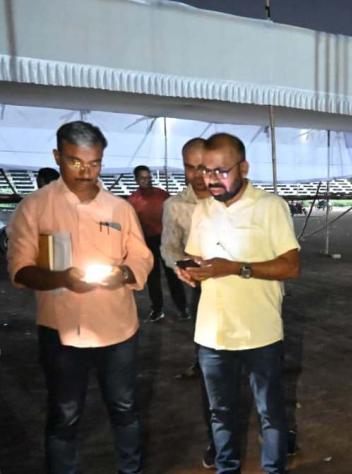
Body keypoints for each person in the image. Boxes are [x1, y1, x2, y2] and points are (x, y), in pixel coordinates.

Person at [7, 121, 153, 473]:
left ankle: (130, 469)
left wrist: (125, 273)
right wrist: (62, 279)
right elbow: (20, 269)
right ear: (57, 156)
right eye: (75, 162)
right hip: (61, 331)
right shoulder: (35, 207)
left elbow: (141, 255)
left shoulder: (119, 208)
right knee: (65, 413)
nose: (86, 172)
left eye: (94, 163)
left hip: (117, 329)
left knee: (124, 407)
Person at [175, 132, 300, 473]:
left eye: (221, 170)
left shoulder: (270, 207)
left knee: (270, 412)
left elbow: (291, 266)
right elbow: (197, 257)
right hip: (213, 335)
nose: (211, 179)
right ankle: (226, 468)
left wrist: (236, 268)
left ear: (243, 168)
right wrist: (190, 271)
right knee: (221, 413)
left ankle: (273, 469)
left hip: (260, 333)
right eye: (206, 171)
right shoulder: (202, 210)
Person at [160, 137, 216, 468]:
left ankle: (278, 432)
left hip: (246, 292)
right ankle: (217, 440)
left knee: (262, 369)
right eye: (189, 167)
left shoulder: (237, 199)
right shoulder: (176, 206)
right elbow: (169, 247)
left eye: (203, 167)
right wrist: (181, 265)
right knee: (212, 372)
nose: (196, 175)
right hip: (205, 293)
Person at [128, 164, 188, 322]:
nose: (147, 180)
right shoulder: (133, 200)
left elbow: (174, 216)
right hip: (148, 241)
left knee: (173, 275)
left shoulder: (162, 195)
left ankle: (182, 308)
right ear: (136, 180)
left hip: (166, 240)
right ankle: (157, 309)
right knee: (153, 278)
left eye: (148, 177)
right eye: (142, 178)